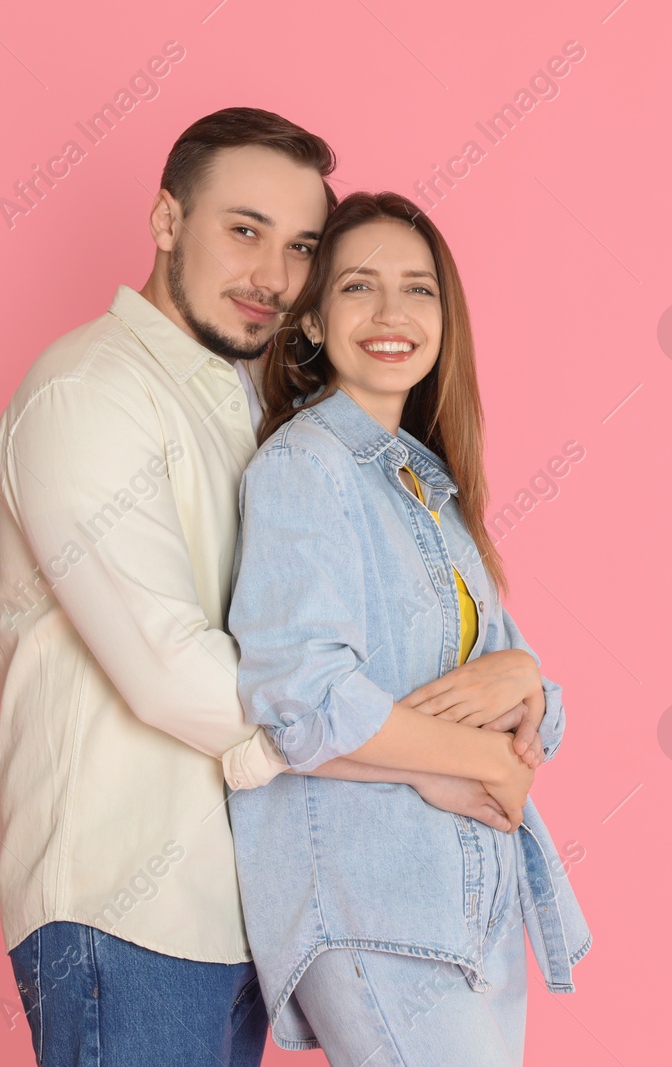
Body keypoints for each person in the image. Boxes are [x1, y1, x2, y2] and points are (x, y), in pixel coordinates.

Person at [0, 110, 549, 1067]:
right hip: (125, 907)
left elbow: (353, 642)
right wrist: (426, 754)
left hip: (243, 909)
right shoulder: (87, 391)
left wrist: (519, 669)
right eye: (242, 230)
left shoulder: (264, 417)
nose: (272, 277)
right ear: (166, 220)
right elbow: (172, 673)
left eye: (299, 248)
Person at [226, 191, 591, 1066]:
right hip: (376, 901)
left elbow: (541, 712)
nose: (393, 315)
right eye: (359, 287)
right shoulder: (306, 467)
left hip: (473, 908)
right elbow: (300, 701)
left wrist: (524, 677)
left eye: (419, 290)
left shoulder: (427, 484)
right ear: (312, 319)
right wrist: (477, 753)